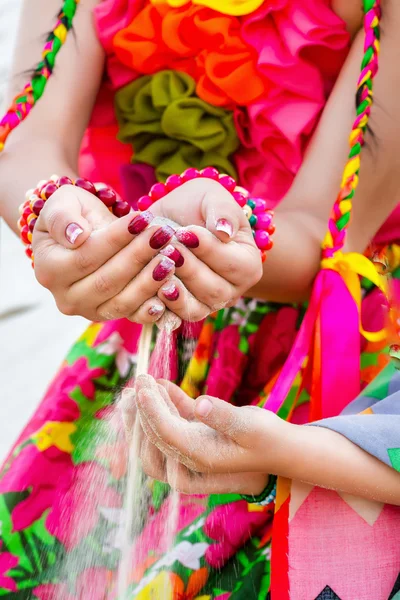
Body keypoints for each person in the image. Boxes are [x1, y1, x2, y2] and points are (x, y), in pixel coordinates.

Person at [0, 0, 399, 598]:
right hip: (151, 319)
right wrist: (54, 211)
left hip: (340, 355)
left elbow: (326, 225)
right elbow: (25, 142)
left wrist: (231, 235)